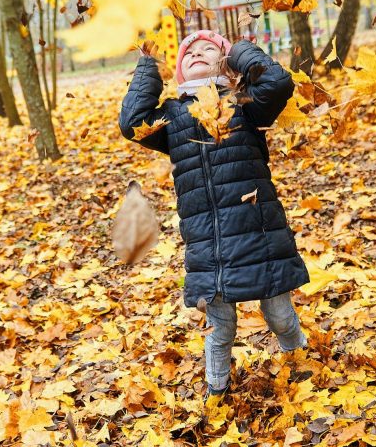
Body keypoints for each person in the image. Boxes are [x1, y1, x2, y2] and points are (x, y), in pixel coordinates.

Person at [119, 29, 310, 400]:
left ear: (227, 64)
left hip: (259, 235)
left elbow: (277, 82)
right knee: (220, 329)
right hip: (209, 244)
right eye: (189, 51)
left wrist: (239, 50)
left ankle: (298, 354)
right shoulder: (173, 117)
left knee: (280, 317)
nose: (197, 53)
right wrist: (147, 65)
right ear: (179, 69)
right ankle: (216, 391)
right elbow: (133, 123)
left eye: (210, 49)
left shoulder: (244, 103)